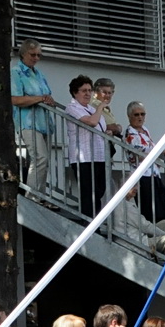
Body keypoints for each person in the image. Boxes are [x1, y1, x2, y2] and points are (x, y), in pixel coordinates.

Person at [11, 40, 59, 192]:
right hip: (27, 122)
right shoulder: (16, 72)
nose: (36, 58)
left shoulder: (39, 74)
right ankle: (32, 196)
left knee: (44, 161)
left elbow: (46, 95)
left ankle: (40, 196)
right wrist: (39, 98)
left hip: (44, 122)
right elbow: (15, 99)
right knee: (40, 157)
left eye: (39, 55)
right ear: (23, 54)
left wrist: (48, 99)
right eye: (33, 55)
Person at [64, 74, 110, 217]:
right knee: (89, 193)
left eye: (90, 90)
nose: (88, 94)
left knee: (99, 191)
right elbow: (92, 122)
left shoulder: (91, 109)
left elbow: (100, 127)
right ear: (75, 92)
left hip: (99, 156)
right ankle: (88, 222)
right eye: (84, 91)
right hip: (83, 158)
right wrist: (100, 106)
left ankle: (94, 222)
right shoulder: (72, 107)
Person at [124, 101, 165, 225]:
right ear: (129, 116)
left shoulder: (145, 130)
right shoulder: (130, 134)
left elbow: (152, 147)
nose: (140, 117)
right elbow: (138, 154)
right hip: (142, 176)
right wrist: (156, 153)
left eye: (142, 114)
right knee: (150, 211)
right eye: (136, 115)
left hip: (154, 174)